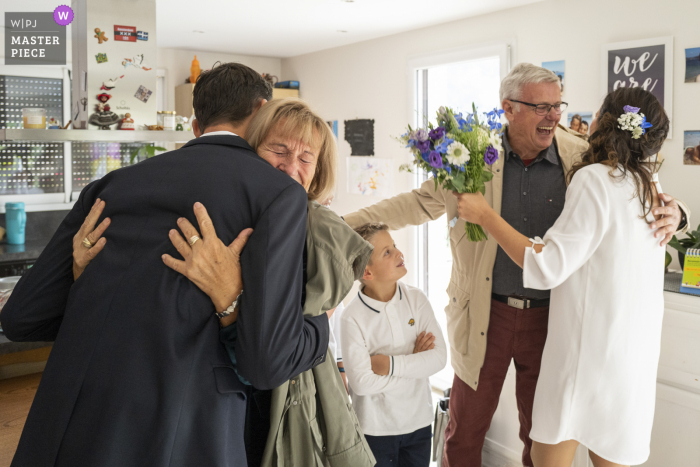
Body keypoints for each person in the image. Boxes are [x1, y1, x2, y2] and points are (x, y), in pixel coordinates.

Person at [342, 63, 690, 467]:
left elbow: (637, 190)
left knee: (537, 431)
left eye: (558, 105)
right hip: (485, 314)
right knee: (465, 429)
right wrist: (342, 224)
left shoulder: (584, 156)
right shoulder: (469, 158)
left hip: (552, 319)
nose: (554, 115)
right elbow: (416, 203)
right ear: (508, 108)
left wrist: (678, 212)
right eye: (541, 106)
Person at [0, 63, 330, 467]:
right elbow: (266, 365)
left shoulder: (109, 187)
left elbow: (19, 319)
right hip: (182, 437)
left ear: (195, 125)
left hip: (64, 425)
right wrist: (319, 325)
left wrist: (82, 281)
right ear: (264, 110)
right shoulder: (278, 195)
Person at [74, 98, 377, 467]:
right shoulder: (218, 220)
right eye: (278, 150)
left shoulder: (316, 237)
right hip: (187, 406)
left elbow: (287, 351)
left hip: (271, 408)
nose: (289, 166)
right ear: (249, 152)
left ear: (318, 169)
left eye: (305, 158)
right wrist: (85, 274)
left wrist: (232, 300)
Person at [454, 86, 670, 467]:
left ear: (607, 122)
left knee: (545, 457)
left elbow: (547, 265)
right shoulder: (651, 189)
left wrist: (487, 217)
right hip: (630, 362)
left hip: (585, 357)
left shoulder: (594, 180)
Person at [341, 222, 447, 467]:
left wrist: (386, 363)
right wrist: (415, 361)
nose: (399, 254)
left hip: (419, 424)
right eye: (387, 252)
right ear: (367, 272)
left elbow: (439, 358)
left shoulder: (416, 299)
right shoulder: (352, 317)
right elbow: (361, 384)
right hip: (375, 431)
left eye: (395, 246)